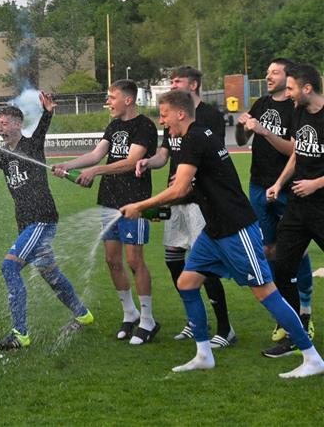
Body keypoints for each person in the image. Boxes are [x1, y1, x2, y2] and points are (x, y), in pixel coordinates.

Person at [121, 90, 324, 378]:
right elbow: (192, 191)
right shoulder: (197, 136)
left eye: (164, 114)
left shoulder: (194, 138)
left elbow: (179, 189)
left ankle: (311, 356)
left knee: (265, 292)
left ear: (180, 113)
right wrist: (151, 210)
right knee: (187, 283)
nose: (161, 120)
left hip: (236, 229)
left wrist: (141, 205)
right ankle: (204, 354)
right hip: (214, 230)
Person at [0, 94, 93, 350]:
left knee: (9, 267)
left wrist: (48, 112)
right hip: (26, 224)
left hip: (42, 220)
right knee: (51, 274)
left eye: (3, 123)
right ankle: (83, 314)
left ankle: (20, 334)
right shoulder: (1, 156)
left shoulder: (32, 146)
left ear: (17, 124)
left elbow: (43, 126)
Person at [52, 80, 159, 344]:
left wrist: (95, 171)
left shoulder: (144, 126)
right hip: (109, 200)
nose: (108, 102)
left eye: (112, 97)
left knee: (135, 261)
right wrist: (69, 163)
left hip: (135, 203)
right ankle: (129, 313)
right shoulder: (113, 126)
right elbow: (97, 154)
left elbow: (131, 162)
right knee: (112, 260)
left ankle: (148, 320)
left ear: (128, 100)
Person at [136, 66, 235, 348]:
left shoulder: (208, 116)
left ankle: (225, 327)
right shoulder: (173, 115)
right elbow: (165, 154)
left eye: (177, 80)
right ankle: (196, 320)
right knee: (173, 259)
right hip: (176, 197)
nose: (173, 83)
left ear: (193, 84)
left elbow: (210, 157)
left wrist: (183, 181)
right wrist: (149, 162)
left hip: (197, 199)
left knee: (204, 263)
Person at [236, 57, 315, 346]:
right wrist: (243, 126)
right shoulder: (261, 103)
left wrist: (264, 131)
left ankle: (305, 312)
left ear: (289, 76)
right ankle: (287, 317)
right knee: (270, 249)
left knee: (296, 250)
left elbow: (294, 149)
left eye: (274, 73)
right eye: (267, 72)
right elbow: (241, 140)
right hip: (260, 186)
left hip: (291, 189)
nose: (268, 77)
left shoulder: (296, 108)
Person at [263, 63, 324, 358]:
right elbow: (299, 153)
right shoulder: (298, 112)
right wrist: (279, 183)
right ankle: (295, 333)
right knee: (281, 268)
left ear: (307, 88)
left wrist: (316, 184)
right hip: (298, 208)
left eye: (291, 88)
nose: (288, 94)